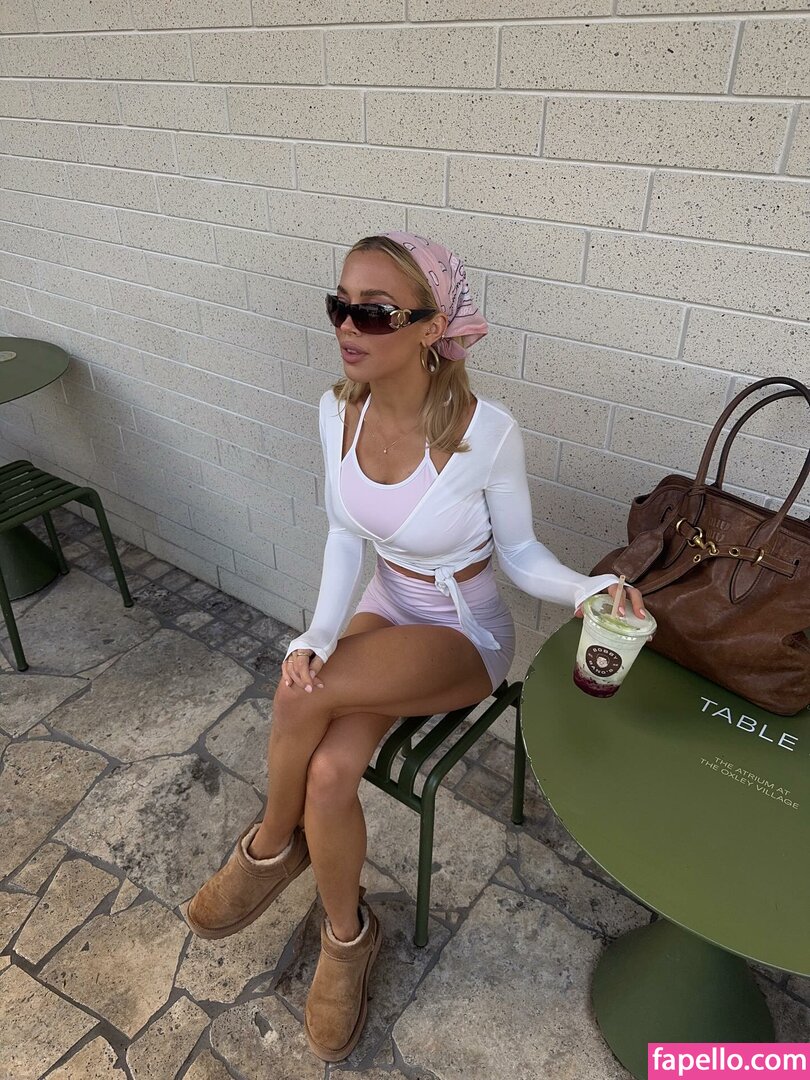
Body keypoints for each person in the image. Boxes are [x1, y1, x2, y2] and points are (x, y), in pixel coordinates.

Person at [185, 231, 644, 1062]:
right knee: (329, 772)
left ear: (432, 327)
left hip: (461, 629)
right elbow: (343, 535)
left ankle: (268, 848)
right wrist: (320, 631)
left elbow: (520, 554)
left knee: (300, 692)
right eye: (340, 305)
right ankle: (347, 937)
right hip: (383, 603)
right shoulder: (337, 410)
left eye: (374, 311)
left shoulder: (486, 432)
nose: (347, 325)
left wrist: (585, 589)